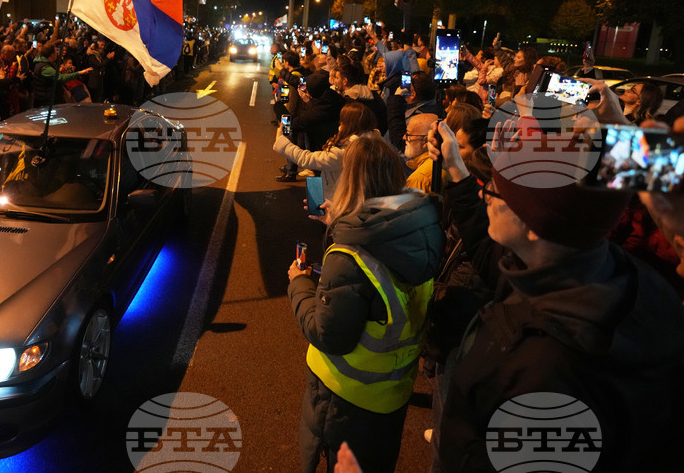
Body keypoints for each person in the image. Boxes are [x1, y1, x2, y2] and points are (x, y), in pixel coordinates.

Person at [428, 117, 684, 471]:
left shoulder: (544, 372)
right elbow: (493, 258)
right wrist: (457, 171)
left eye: (497, 191)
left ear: (535, 227)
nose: (485, 193)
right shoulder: (623, 275)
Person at [288, 135, 442, 473]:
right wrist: (340, 222)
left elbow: (329, 334)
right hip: (393, 394)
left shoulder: (349, 257)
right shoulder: (421, 225)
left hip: (345, 398)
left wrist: (298, 283)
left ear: (351, 180)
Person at [274, 101, 377, 201]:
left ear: (348, 125)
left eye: (342, 120)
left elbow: (306, 159)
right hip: (362, 200)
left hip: (339, 202)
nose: (339, 123)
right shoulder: (376, 144)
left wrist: (282, 141)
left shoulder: (344, 152)